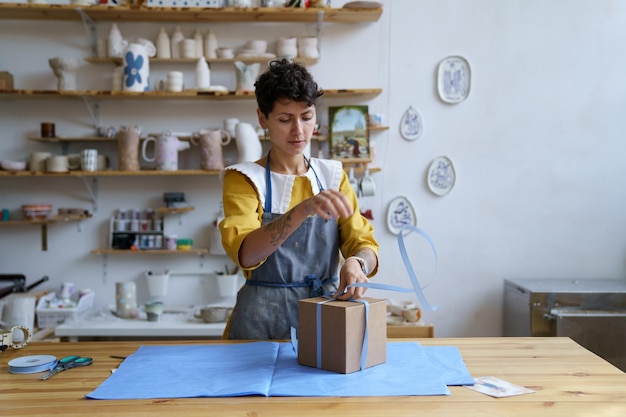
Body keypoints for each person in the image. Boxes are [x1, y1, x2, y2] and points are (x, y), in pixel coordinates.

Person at [219, 59, 379, 340]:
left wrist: (357, 263)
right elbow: (246, 254)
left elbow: (364, 244)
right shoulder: (245, 179)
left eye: (306, 117)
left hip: (322, 316)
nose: (298, 131)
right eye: (284, 119)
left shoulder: (332, 176)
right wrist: (302, 210)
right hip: (258, 324)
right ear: (262, 118)